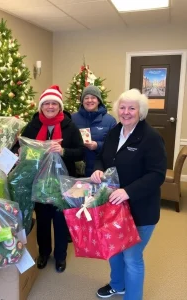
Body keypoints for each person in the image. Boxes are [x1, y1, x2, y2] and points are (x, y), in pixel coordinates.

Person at [90, 88, 167, 299]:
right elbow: (102, 157)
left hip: (141, 210)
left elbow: (157, 175)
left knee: (132, 258)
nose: (126, 112)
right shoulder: (115, 131)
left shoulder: (151, 137)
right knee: (114, 250)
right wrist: (97, 169)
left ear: (140, 111)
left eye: (131, 108)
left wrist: (128, 192)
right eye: (122, 107)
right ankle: (117, 284)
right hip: (114, 207)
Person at [20, 85, 84, 273]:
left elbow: (80, 152)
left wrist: (63, 151)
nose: (50, 107)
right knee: (43, 219)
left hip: (62, 181)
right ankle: (44, 252)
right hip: (39, 181)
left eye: (53, 103)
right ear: (41, 106)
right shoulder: (33, 125)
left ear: (59, 106)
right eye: (46, 103)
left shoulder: (70, 126)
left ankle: (61, 256)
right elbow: (22, 148)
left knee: (60, 220)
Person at [72, 85, 116, 177]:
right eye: (86, 98)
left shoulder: (110, 121)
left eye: (93, 97)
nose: (89, 100)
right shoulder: (73, 118)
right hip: (76, 169)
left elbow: (114, 145)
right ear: (82, 101)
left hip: (99, 170)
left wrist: (97, 145)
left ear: (99, 100)